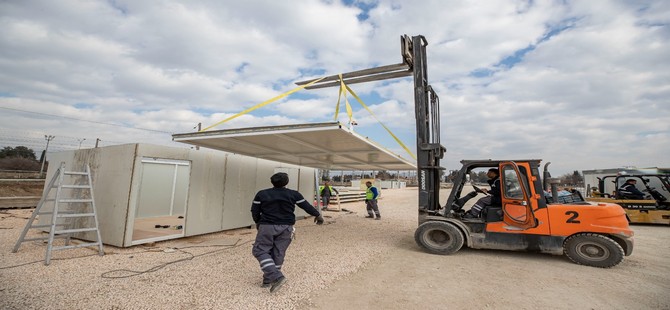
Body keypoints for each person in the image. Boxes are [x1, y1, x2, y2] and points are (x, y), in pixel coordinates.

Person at [251, 172, 324, 293]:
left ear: (272, 182)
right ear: (286, 182)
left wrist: (258, 222)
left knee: (260, 250)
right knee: (278, 252)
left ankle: (276, 277)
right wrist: (317, 215)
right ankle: (268, 280)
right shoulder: (293, 194)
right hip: (286, 227)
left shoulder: (262, 194)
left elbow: (255, 210)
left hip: (267, 226)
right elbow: (306, 206)